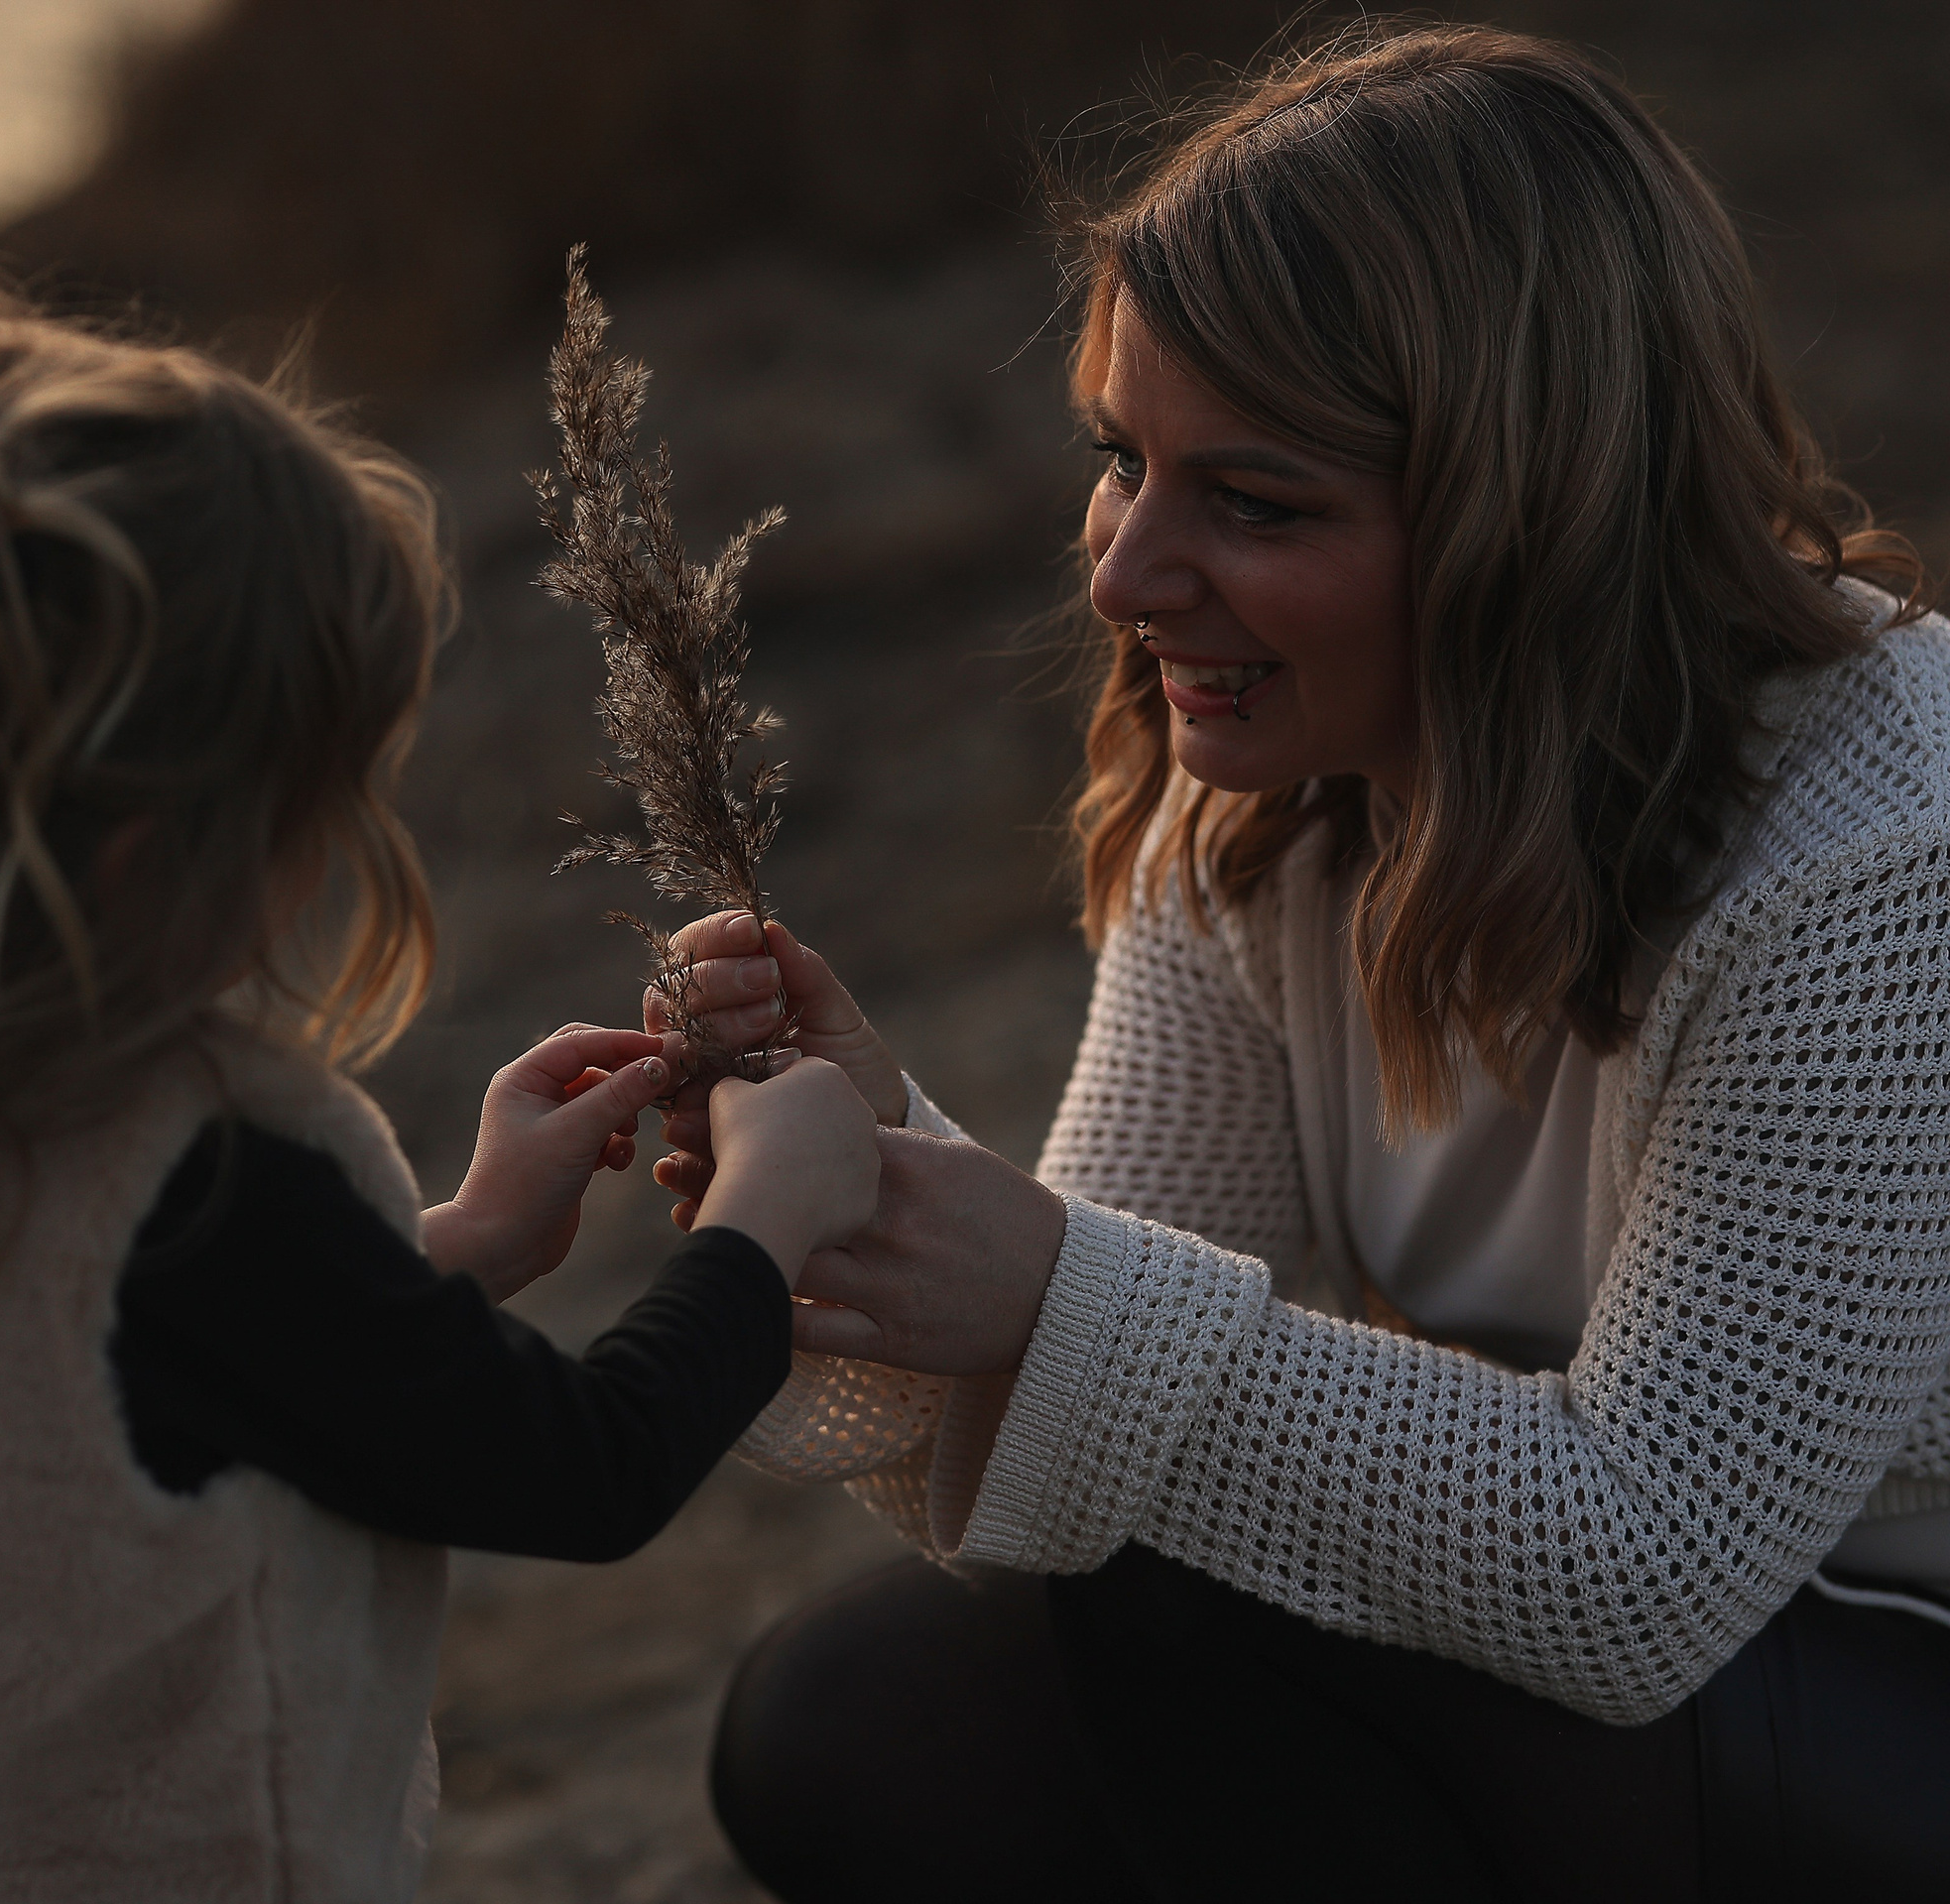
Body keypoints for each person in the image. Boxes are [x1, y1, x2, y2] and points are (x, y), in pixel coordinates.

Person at [649, 25, 1950, 1901]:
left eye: (1254, 504)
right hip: (1614, 1696)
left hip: (1875, 1669)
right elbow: (1082, 1428)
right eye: (1122, 463)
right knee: (856, 1730)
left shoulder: (1879, 848)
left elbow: (1646, 1565)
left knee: (1204, 1616)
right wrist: (880, 1190)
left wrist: (1049, 1289)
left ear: (1535, 515)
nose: (1122, 574)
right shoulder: (1263, 800)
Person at [0, 275, 880, 1902]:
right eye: (319, 797)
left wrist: (455, 1246)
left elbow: (99, 1402)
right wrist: (768, 1214)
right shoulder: (195, 1189)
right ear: (142, 851)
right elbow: (578, 1470)